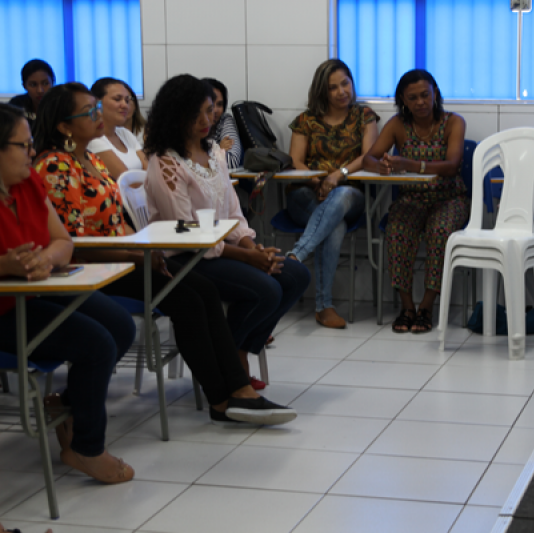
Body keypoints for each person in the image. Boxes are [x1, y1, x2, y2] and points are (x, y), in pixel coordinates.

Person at [33, 82, 295, 424]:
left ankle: (235, 392)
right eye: (90, 111)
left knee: (201, 292)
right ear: (64, 126)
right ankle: (226, 397)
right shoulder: (56, 167)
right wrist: (137, 255)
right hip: (95, 267)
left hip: (122, 260)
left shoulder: (90, 161)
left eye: (97, 109)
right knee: (191, 298)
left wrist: (142, 248)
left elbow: (115, 222)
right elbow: (73, 241)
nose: (98, 115)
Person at [144, 75, 310, 386]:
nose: (207, 120)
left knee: (295, 276)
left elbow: (233, 213)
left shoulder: (215, 153)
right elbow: (187, 234)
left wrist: (252, 248)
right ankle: (231, 361)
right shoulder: (165, 161)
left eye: (210, 111)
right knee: (267, 288)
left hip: (219, 251)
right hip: (183, 258)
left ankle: (238, 349)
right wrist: (248, 259)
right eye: (197, 114)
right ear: (176, 115)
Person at [0, 102, 136, 483]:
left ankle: (71, 405)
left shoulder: (26, 182)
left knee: (121, 327)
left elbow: (62, 240)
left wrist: (46, 257)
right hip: (6, 309)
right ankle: (87, 448)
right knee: (96, 344)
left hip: (39, 289)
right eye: (22, 146)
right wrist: (7, 266)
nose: (31, 153)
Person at [363, 69, 468, 334]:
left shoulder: (453, 122)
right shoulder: (398, 124)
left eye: (425, 95)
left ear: (435, 94)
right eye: (413, 98)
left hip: (449, 198)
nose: (420, 102)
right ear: (403, 100)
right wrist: (383, 168)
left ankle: (427, 307)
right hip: (411, 199)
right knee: (397, 230)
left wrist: (411, 164)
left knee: (440, 233)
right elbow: (368, 159)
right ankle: (407, 307)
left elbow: (453, 165)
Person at [285, 59, 377, 328]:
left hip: (351, 194)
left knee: (343, 196)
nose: (341, 91)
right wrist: (317, 182)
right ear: (321, 92)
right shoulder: (305, 121)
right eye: (333, 87)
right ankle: (324, 307)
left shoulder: (365, 116)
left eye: (345, 83)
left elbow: (368, 156)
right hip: (307, 194)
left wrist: (337, 176)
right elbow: (296, 161)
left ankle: (296, 255)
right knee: (335, 226)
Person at [88, 77, 148, 179]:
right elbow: (127, 182)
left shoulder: (124, 133)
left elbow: (150, 172)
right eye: (117, 99)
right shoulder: (93, 138)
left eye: (127, 100)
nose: (125, 105)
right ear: (97, 103)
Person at [202, 78, 243, 171]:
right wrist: (218, 150)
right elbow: (187, 161)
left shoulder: (224, 120)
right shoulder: (189, 124)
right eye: (211, 104)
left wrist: (206, 154)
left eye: (220, 104)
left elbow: (232, 161)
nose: (215, 110)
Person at [8, 59, 55, 129]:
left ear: (53, 82)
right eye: (33, 85)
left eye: (45, 83)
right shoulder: (17, 104)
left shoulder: (60, 105)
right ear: (24, 86)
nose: (40, 90)